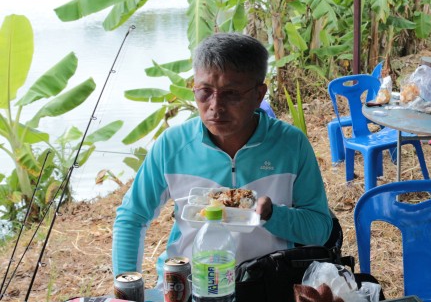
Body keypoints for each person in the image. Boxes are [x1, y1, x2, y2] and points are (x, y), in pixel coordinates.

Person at [112, 33, 333, 279]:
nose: (215, 106)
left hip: (266, 283)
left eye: (231, 94)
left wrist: (273, 215)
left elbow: (320, 229)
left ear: (259, 95)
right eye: (204, 92)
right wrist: (127, 289)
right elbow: (132, 217)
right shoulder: (172, 145)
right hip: (188, 285)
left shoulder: (290, 144)